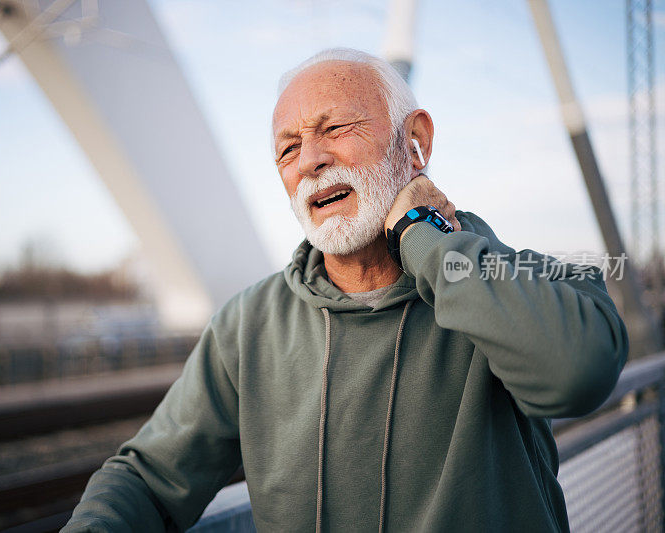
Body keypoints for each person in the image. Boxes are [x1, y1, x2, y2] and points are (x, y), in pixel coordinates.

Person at [63, 48, 628, 532]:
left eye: (336, 129)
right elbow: (147, 478)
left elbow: (579, 374)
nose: (310, 161)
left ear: (416, 143)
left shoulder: (535, 280)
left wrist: (426, 239)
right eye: (288, 149)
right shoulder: (249, 324)